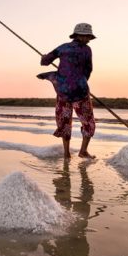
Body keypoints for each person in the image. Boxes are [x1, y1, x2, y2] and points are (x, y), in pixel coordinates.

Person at [38, 23, 96, 159]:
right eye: (86, 36)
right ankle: (83, 151)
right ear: (80, 36)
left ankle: (66, 154)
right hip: (80, 92)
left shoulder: (62, 48)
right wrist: (80, 80)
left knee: (64, 122)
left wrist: (44, 57)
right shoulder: (87, 50)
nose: (88, 39)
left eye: (88, 36)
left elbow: (45, 62)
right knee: (88, 122)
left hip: (63, 91)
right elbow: (89, 70)